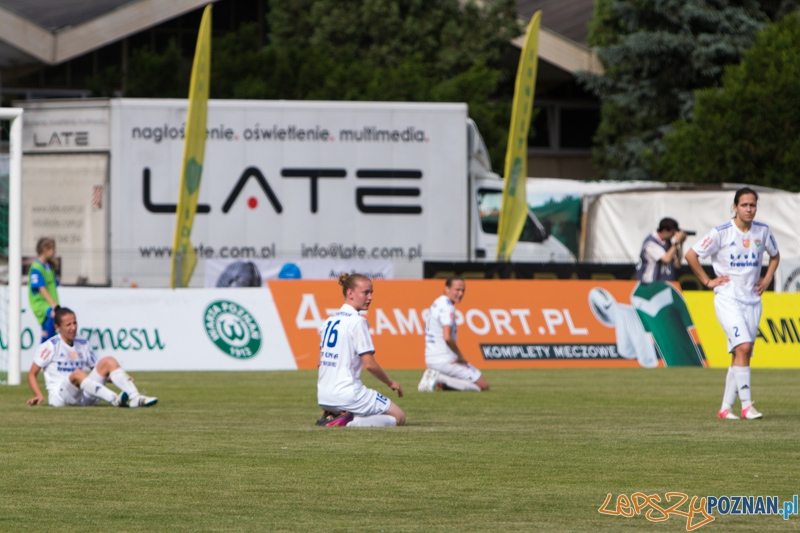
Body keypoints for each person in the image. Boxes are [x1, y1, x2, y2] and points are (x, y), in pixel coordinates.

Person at [685, 187, 779, 420]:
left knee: (741, 353)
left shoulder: (763, 231)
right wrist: (708, 280)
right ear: (735, 207)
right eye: (744, 205)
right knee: (744, 347)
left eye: (753, 205)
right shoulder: (721, 232)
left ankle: (725, 408)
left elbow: (775, 256)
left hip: (753, 300)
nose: (749, 209)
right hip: (728, 298)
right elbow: (691, 254)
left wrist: (767, 279)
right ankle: (747, 406)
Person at [316, 273, 405, 427]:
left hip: (323, 396)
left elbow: (319, 362)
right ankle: (347, 422)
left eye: (371, 293)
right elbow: (369, 364)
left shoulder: (329, 320)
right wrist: (391, 383)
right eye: (366, 293)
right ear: (350, 293)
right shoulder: (357, 322)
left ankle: (334, 414)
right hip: (347, 394)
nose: (370, 297)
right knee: (399, 417)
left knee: (375, 412)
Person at [27, 307, 158, 408]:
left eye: (75, 323)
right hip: (60, 397)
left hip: (84, 394)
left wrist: (120, 378)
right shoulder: (50, 346)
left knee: (108, 361)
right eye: (68, 325)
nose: (73, 328)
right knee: (78, 373)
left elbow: (98, 372)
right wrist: (38, 395)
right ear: (57, 327)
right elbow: (32, 373)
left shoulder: (83, 344)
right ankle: (114, 399)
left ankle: (135, 397)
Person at [417, 276, 489, 392]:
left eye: (463, 290)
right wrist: (460, 356)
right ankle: (439, 379)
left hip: (430, 357)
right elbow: (447, 337)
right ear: (447, 289)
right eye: (457, 290)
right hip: (446, 359)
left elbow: (426, 327)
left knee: (469, 383)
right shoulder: (448, 307)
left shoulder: (436, 302)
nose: (460, 293)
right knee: (483, 386)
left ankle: (439, 379)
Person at [636, 218, 688, 283]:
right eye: (672, 233)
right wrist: (676, 241)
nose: (673, 236)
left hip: (666, 283)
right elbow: (666, 259)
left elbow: (677, 264)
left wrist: (680, 243)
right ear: (664, 231)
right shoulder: (650, 243)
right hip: (651, 284)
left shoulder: (669, 244)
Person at [29, 237, 60, 343]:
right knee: (54, 315)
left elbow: (55, 284)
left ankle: (44, 352)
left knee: (49, 330)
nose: (54, 252)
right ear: (45, 250)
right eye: (52, 249)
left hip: (50, 304)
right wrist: (54, 305)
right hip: (41, 304)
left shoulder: (49, 267)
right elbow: (40, 287)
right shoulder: (36, 267)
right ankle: (45, 351)